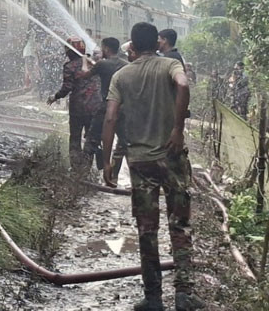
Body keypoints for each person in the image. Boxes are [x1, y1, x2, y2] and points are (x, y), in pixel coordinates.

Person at [101, 22, 203, 311]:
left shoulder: (121, 76)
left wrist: (108, 160)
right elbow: (183, 85)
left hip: (140, 162)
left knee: (147, 230)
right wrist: (178, 129)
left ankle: (153, 298)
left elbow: (110, 118)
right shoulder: (170, 65)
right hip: (171, 158)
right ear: (156, 44)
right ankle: (184, 295)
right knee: (180, 226)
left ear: (132, 45)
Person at [47, 37, 104, 168]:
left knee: (75, 138)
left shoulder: (69, 66)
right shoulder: (94, 62)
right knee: (91, 138)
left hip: (77, 108)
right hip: (95, 107)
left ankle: (76, 167)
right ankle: (88, 166)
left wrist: (55, 97)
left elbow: (67, 87)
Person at [78, 37, 129, 176]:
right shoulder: (126, 64)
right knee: (126, 142)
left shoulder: (102, 64)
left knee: (92, 139)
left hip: (105, 107)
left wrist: (84, 60)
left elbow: (84, 74)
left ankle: (83, 174)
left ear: (106, 48)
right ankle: (118, 176)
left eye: (102, 48)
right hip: (123, 108)